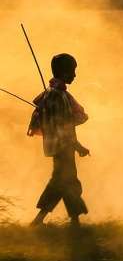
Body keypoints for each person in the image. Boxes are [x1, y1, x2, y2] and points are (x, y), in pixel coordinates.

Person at [29, 53, 90, 227]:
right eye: (73, 71)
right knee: (63, 181)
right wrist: (78, 146)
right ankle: (41, 220)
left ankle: (74, 221)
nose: (75, 75)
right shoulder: (59, 96)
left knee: (65, 181)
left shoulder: (50, 93)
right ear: (64, 74)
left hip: (57, 146)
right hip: (63, 146)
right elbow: (65, 127)